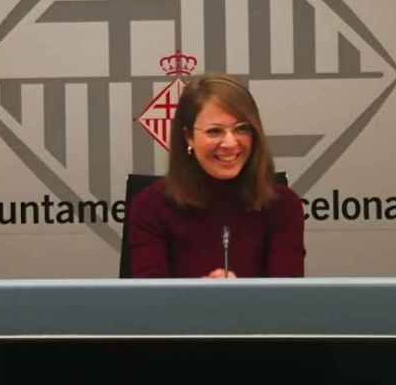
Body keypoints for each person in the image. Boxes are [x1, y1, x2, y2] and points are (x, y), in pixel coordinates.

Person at [129, 74, 305, 278]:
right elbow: (149, 303)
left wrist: (239, 296)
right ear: (188, 137)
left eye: (241, 129)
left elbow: (287, 301)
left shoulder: (283, 205)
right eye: (214, 131)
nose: (230, 143)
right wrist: (202, 295)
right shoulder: (150, 206)